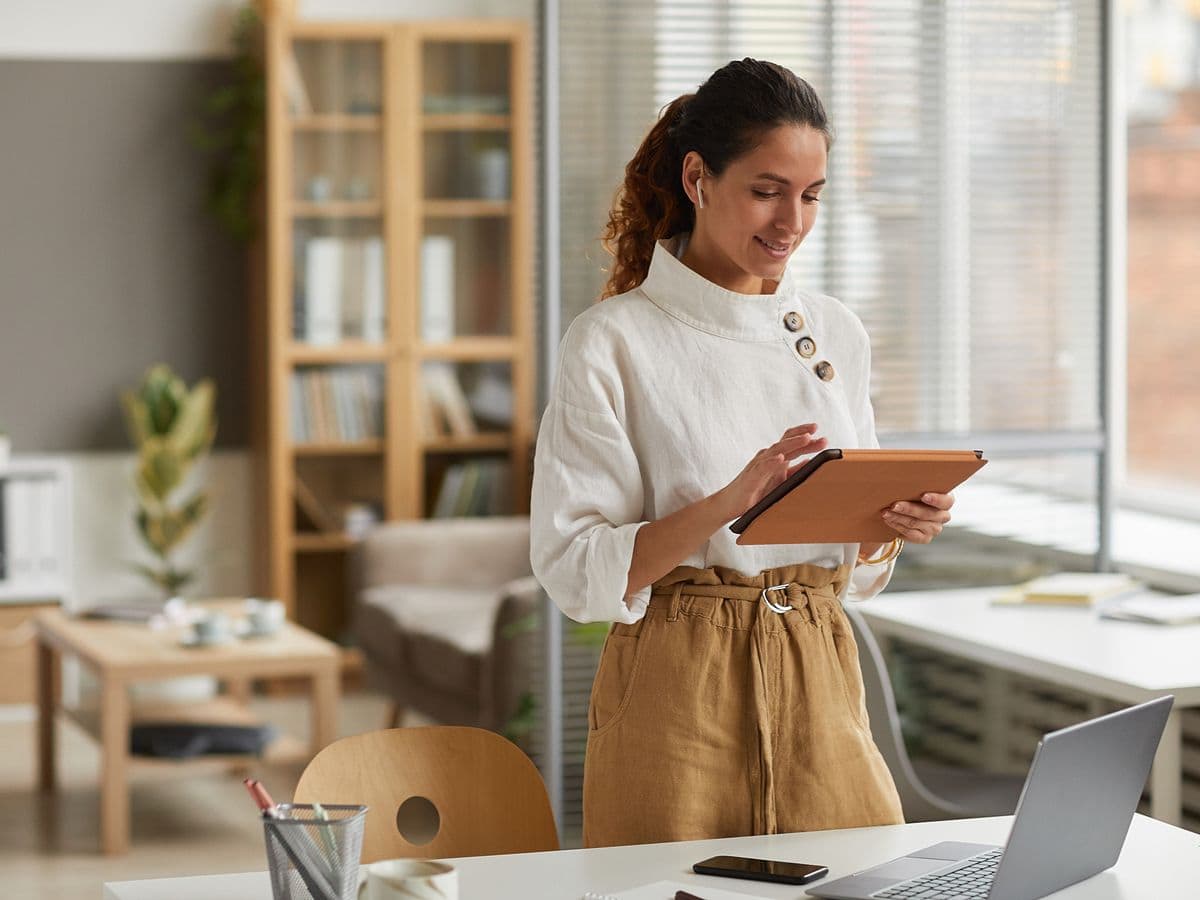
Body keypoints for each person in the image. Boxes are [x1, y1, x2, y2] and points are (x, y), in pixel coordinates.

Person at [530, 58, 955, 848]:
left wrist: (886, 524)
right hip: (676, 683)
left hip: (820, 668)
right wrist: (730, 502)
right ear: (698, 178)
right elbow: (575, 569)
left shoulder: (837, 331)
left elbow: (854, 572)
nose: (791, 220)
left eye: (812, 195)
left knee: (862, 879)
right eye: (767, 190)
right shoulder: (613, 341)